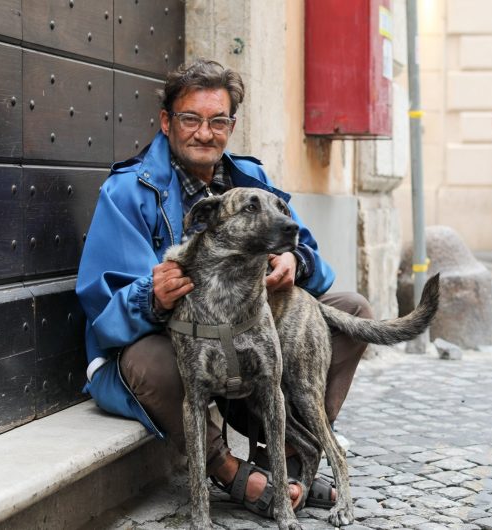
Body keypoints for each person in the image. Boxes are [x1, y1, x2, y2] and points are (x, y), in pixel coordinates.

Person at [75, 59, 369, 513]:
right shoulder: (129, 192)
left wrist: (295, 259)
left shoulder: (252, 180)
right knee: (150, 358)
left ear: (231, 125)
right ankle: (232, 473)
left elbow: (317, 266)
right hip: (174, 348)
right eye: (191, 119)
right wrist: (150, 297)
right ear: (167, 121)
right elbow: (103, 315)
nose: (204, 133)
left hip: (248, 339)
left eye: (218, 121)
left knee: (353, 311)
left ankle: (289, 455)